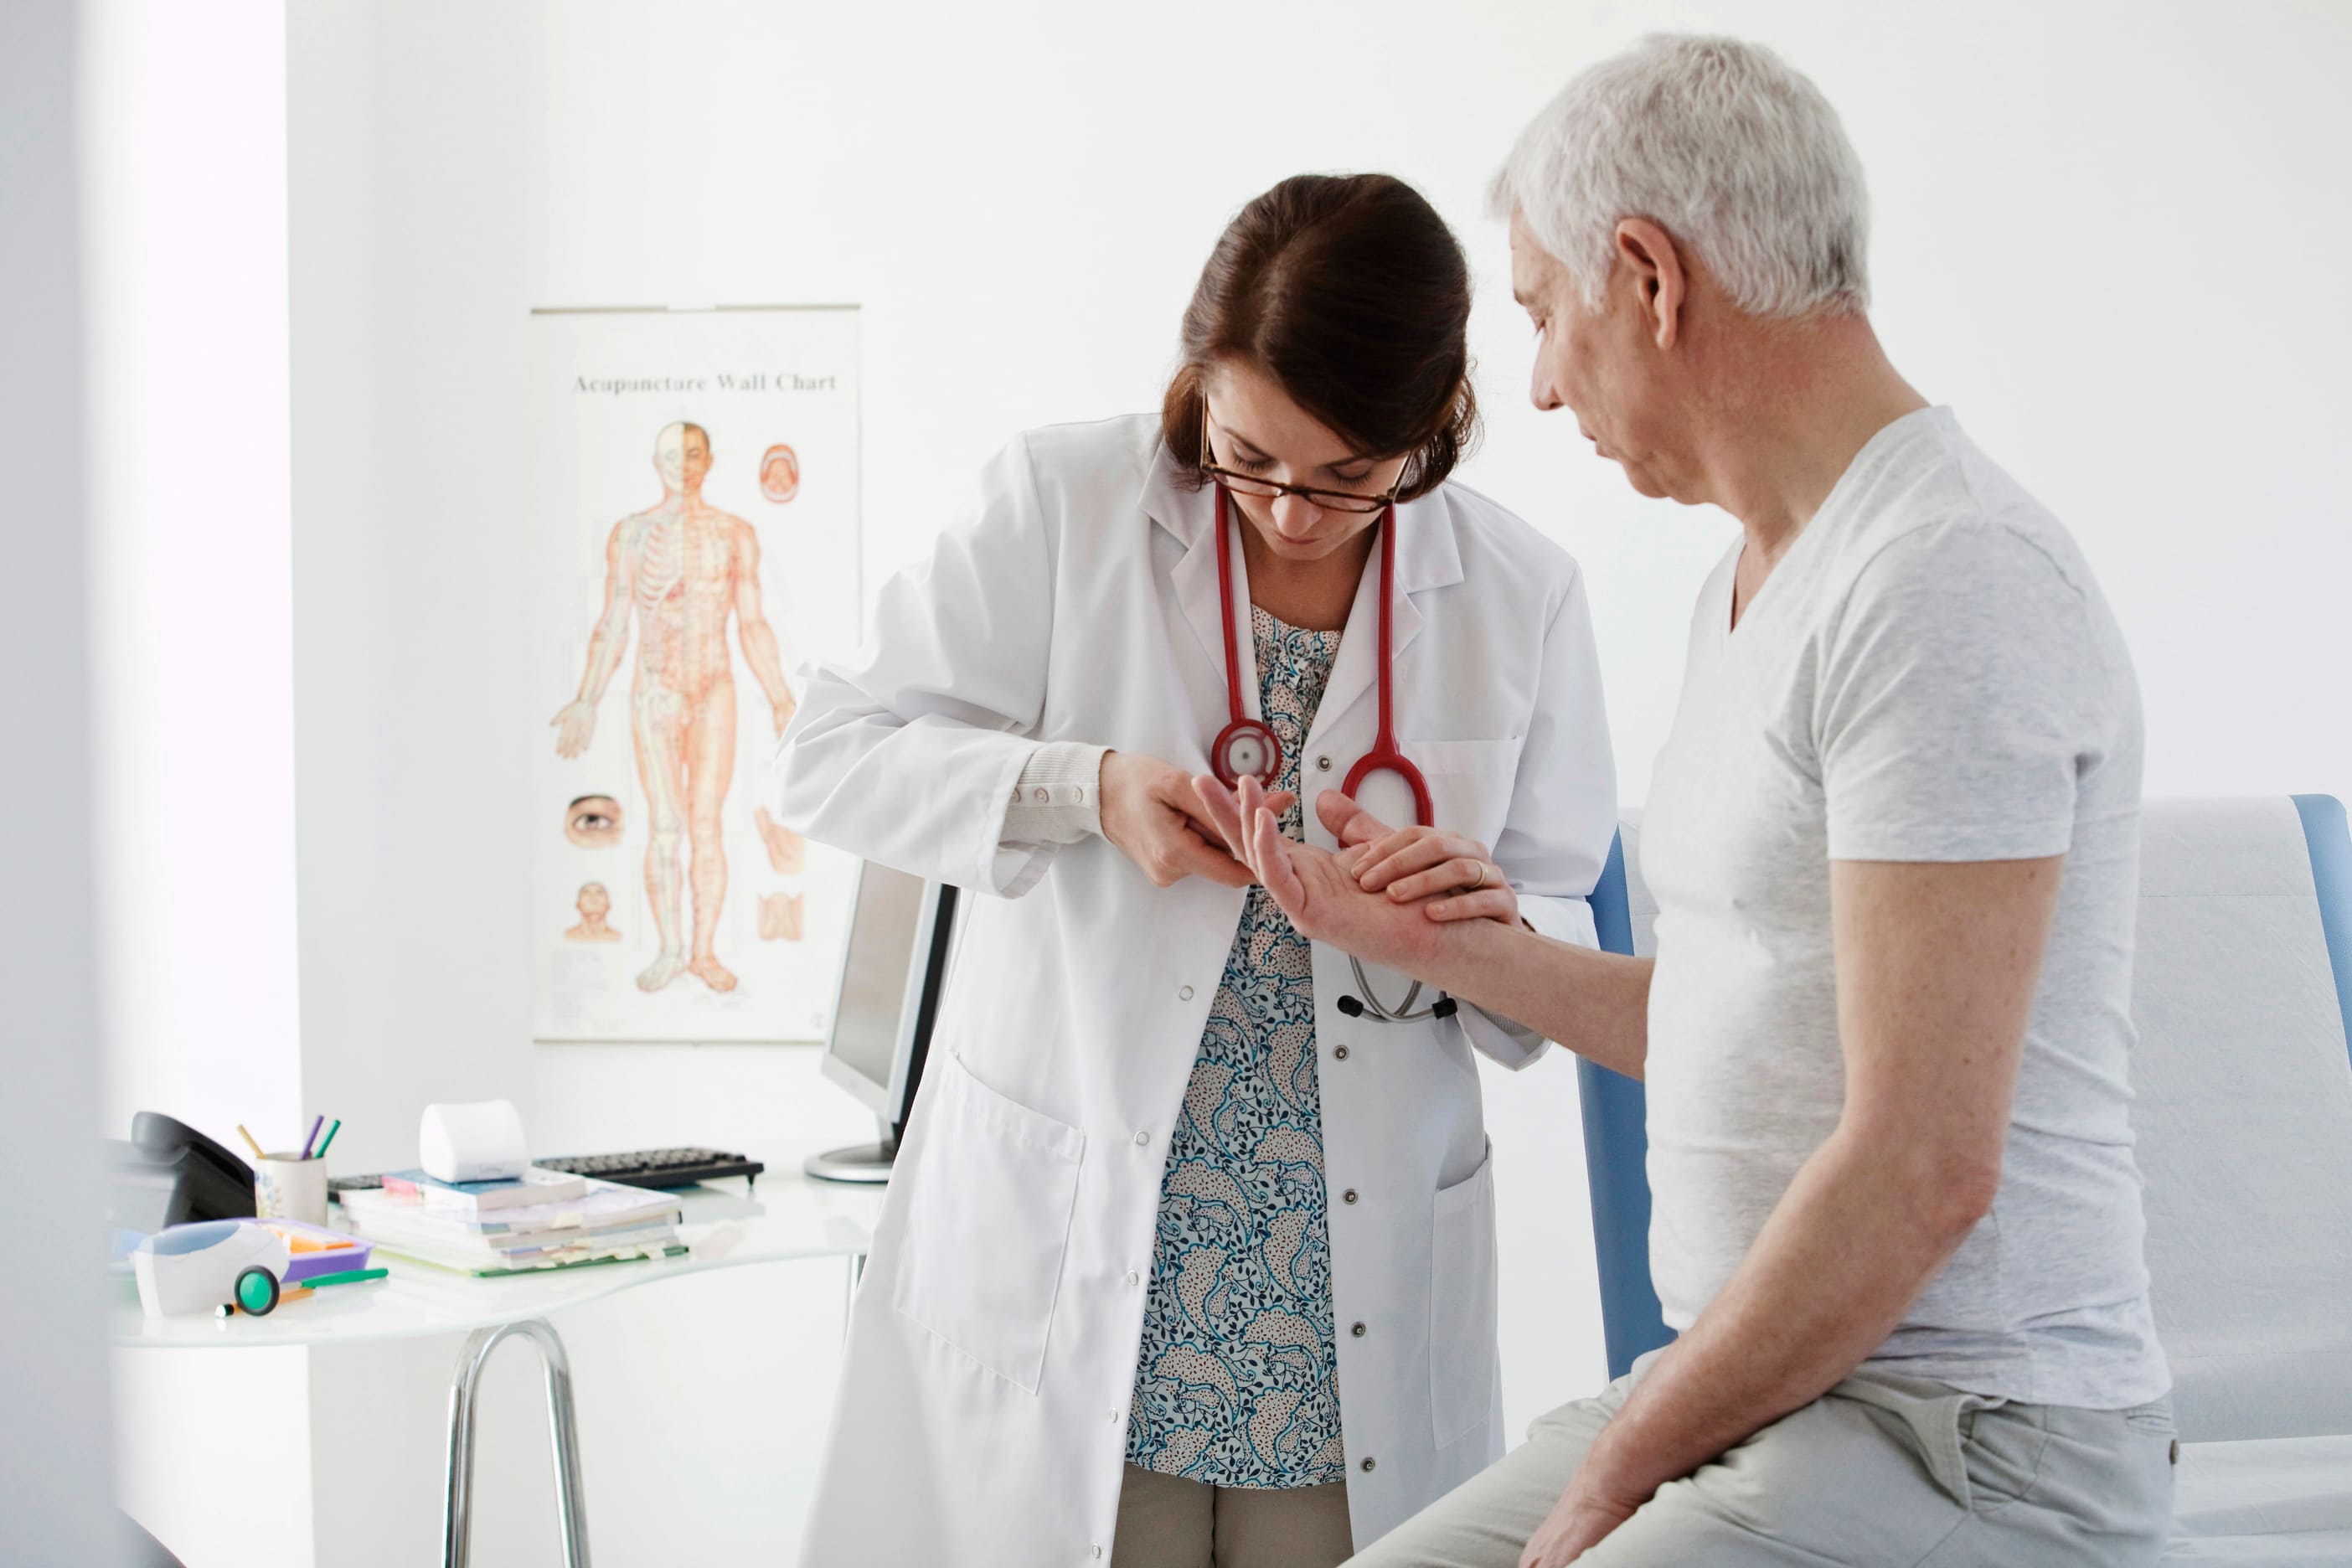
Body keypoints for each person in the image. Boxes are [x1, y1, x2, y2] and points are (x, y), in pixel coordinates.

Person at [1199, 36, 2174, 1568]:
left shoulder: (1943, 580)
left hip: (1968, 1440)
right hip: (1767, 1391)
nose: (1531, 379)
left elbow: (1922, 1159)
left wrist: (1620, 1473)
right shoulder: (1765, 572)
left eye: (1539, 312)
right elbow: (1743, 1023)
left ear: (1647, 279)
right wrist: (1420, 935)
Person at [774, 173, 1617, 1566]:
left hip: (1340, 1306)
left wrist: (1476, 921)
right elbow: (829, 749)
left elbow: (1566, 932)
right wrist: (1079, 787)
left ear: (1433, 423)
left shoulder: (1517, 592)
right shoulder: (1066, 504)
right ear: (1195, 389)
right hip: (1081, 1269)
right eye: (1248, 456)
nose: (1289, 512)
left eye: (1349, 475)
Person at [550, 420, 796, 993]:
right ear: (654, 463)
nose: (682, 465)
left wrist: (783, 699)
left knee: (708, 825)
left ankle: (704, 953)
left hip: (714, 686)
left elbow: (752, 622)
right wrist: (586, 698)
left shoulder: (735, 533)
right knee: (665, 825)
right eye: (671, 455)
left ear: (708, 459)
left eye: (692, 454)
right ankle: (669, 949)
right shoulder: (633, 534)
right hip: (655, 688)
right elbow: (613, 620)